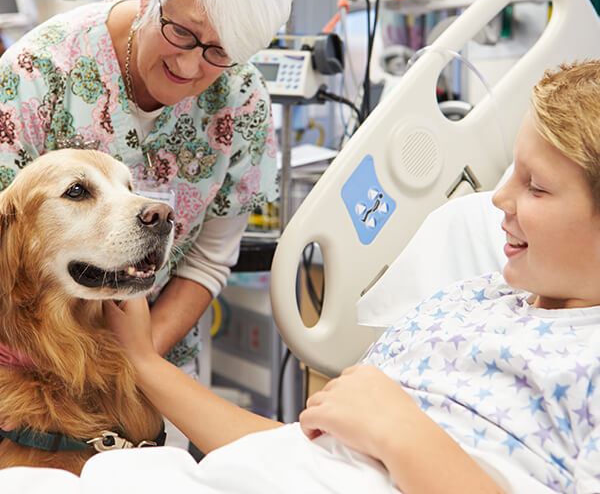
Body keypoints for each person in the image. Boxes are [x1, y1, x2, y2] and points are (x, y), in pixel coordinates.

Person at [104, 60, 600, 493]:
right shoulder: (466, 302)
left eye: (535, 187)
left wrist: (401, 433)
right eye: (511, 171)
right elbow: (292, 455)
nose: (497, 197)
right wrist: (142, 360)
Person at [0, 0, 295, 394]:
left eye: (220, 51)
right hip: (29, 370)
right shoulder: (35, 76)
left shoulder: (241, 103)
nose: (189, 66)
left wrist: (136, 361)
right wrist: (63, 373)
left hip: (154, 363)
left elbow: (207, 259)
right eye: (181, 31)